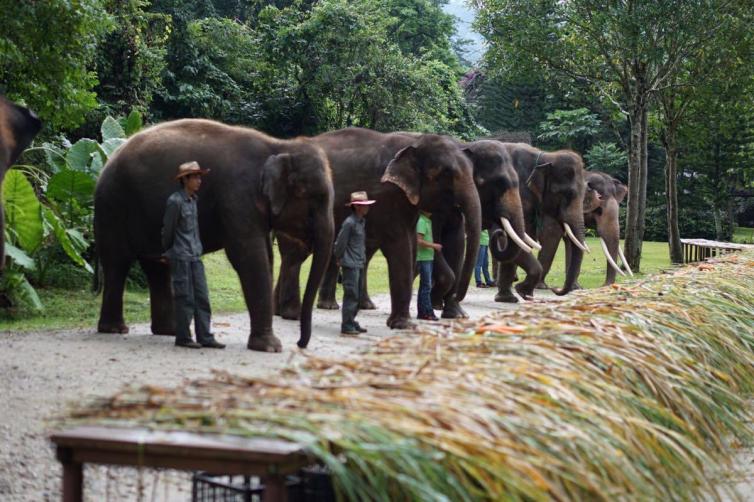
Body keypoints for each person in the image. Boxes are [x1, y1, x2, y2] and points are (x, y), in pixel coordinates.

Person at [161, 161, 225, 349]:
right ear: (185, 179)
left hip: (195, 256)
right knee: (185, 298)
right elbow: (168, 230)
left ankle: (205, 336)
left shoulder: (194, 200)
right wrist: (169, 252)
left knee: (202, 297)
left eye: (199, 177)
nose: (199, 181)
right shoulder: (175, 201)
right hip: (181, 256)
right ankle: (183, 337)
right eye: (195, 177)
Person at [334, 191, 375, 335]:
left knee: (357, 296)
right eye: (364, 205)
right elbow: (340, 243)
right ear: (357, 206)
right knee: (351, 294)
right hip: (350, 264)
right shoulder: (349, 223)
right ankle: (347, 325)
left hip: (359, 263)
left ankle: (352, 321)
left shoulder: (361, 222)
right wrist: (339, 258)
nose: (367, 208)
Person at [416, 210, 442, 320]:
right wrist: (433, 246)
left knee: (425, 286)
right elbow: (418, 240)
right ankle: (427, 312)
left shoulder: (428, 221)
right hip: (423, 258)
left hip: (429, 258)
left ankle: (422, 313)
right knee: (426, 286)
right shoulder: (421, 221)